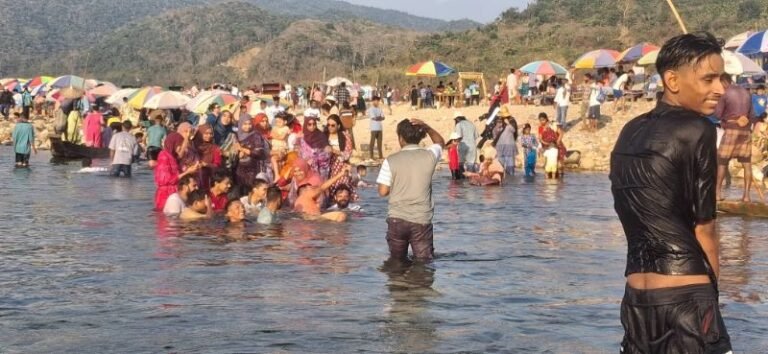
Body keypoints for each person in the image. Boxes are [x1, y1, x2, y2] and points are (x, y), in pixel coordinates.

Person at [610, 32, 731, 353]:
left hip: (637, 299)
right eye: (709, 79)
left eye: (722, 78)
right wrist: (712, 299)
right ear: (672, 80)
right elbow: (705, 227)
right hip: (687, 294)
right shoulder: (698, 129)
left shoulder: (630, 131)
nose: (720, 89)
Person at [377, 119, 445, 263]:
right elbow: (440, 142)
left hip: (397, 220)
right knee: (423, 264)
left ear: (400, 138)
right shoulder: (430, 155)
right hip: (421, 220)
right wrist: (427, 127)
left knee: (396, 263)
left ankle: (398, 284)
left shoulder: (390, 160)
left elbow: (383, 191)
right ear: (420, 137)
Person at [715, 74, 757, 202]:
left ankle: (717, 194)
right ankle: (746, 196)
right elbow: (753, 116)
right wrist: (743, 120)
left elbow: (717, 114)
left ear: (724, 81)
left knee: (721, 162)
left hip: (731, 130)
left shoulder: (725, 93)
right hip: (745, 132)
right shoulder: (746, 92)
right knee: (746, 164)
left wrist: (726, 120)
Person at [153, 132, 201, 211]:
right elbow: (164, 180)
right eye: (179, 145)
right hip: (165, 195)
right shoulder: (164, 156)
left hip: (174, 192)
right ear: (173, 144)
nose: (180, 148)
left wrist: (190, 169)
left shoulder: (172, 156)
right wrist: (187, 172)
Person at [235, 116, 272, 188]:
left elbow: (258, 152)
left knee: (253, 188)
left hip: (254, 168)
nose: (248, 126)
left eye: (249, 124)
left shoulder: (256, 135)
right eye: (245, 124)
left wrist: (243, 149)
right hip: (240, 169)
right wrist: (238, 154)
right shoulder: (237, 135)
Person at [493, 107, 518, 176]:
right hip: (500, 146)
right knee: (500, 166)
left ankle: (510, 181)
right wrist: (497, 127)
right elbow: (494, 133)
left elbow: (514, 130)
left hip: (509, 145)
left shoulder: (512, 121)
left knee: (510, 165)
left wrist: (508, 124)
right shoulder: (499, 121)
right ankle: (502, 182)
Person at [368, 96, 385, 161]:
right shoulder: (371, 109)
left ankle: (380, 156)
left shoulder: (380, 108)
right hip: (373, 128)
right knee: (372, 143)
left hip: (380, 128)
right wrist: (379, 117)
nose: (377, 102)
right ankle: (371, 157)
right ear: (373, 101)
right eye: (376, 101)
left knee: (379, 143)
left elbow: (383, 117)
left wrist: (378, 118)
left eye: (378, 101)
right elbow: (373, 118)